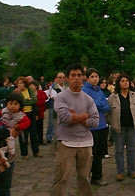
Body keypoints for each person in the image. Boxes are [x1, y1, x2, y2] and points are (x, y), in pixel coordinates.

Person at [52, 64, 101, 196]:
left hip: (85, 143)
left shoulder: (88, 99)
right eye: (73, 75)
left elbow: (95, 121)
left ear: (83, 78)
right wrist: (85, 115)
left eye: (79, 75)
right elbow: (65, 117)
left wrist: (76, 117)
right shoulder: (61, 97)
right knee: (62, 178)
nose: (76, 78)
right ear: (67, 78)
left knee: (84, 178)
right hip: (66, 143)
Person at [108, 74, 135, 183]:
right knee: (118, 150)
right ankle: (120, 171)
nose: (125, 82)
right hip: (119, 127)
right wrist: (112, 123)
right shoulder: (113, 97)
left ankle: (131, 170)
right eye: (122, 81)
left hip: (132, 126)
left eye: (127, 80)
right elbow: (108, 112)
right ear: (118, 83)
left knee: (131, 149)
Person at [80, 69, 113, 186]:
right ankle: (85, 176)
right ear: (87, 78)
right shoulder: (84, 91)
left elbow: (106, 107)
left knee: (99, 153)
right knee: (89, 154)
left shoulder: (100, 91)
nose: (95, 79)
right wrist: (98, 105)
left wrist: (97, 105)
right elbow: (90, 105)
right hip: (91, 127)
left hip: (102, 125)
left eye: (96, 76)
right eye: (92, 76)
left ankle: (97, 176)